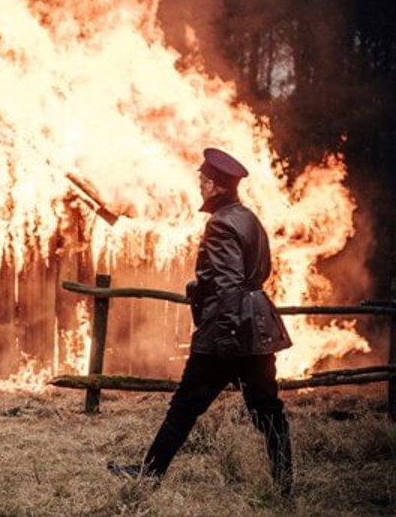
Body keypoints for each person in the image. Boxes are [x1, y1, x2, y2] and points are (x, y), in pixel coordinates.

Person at [107, 148, 294, 496]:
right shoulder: (249, 217)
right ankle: (285, 483)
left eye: (201, 181)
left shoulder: (220, 223)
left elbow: (228, 283)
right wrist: (202, 286)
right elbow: (255, 273)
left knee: (184, 406)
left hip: (228, 329)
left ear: (212, 185)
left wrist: (224, 337)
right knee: (267, 408)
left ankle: (146, 476)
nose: (198, 186)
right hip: (257, 327)